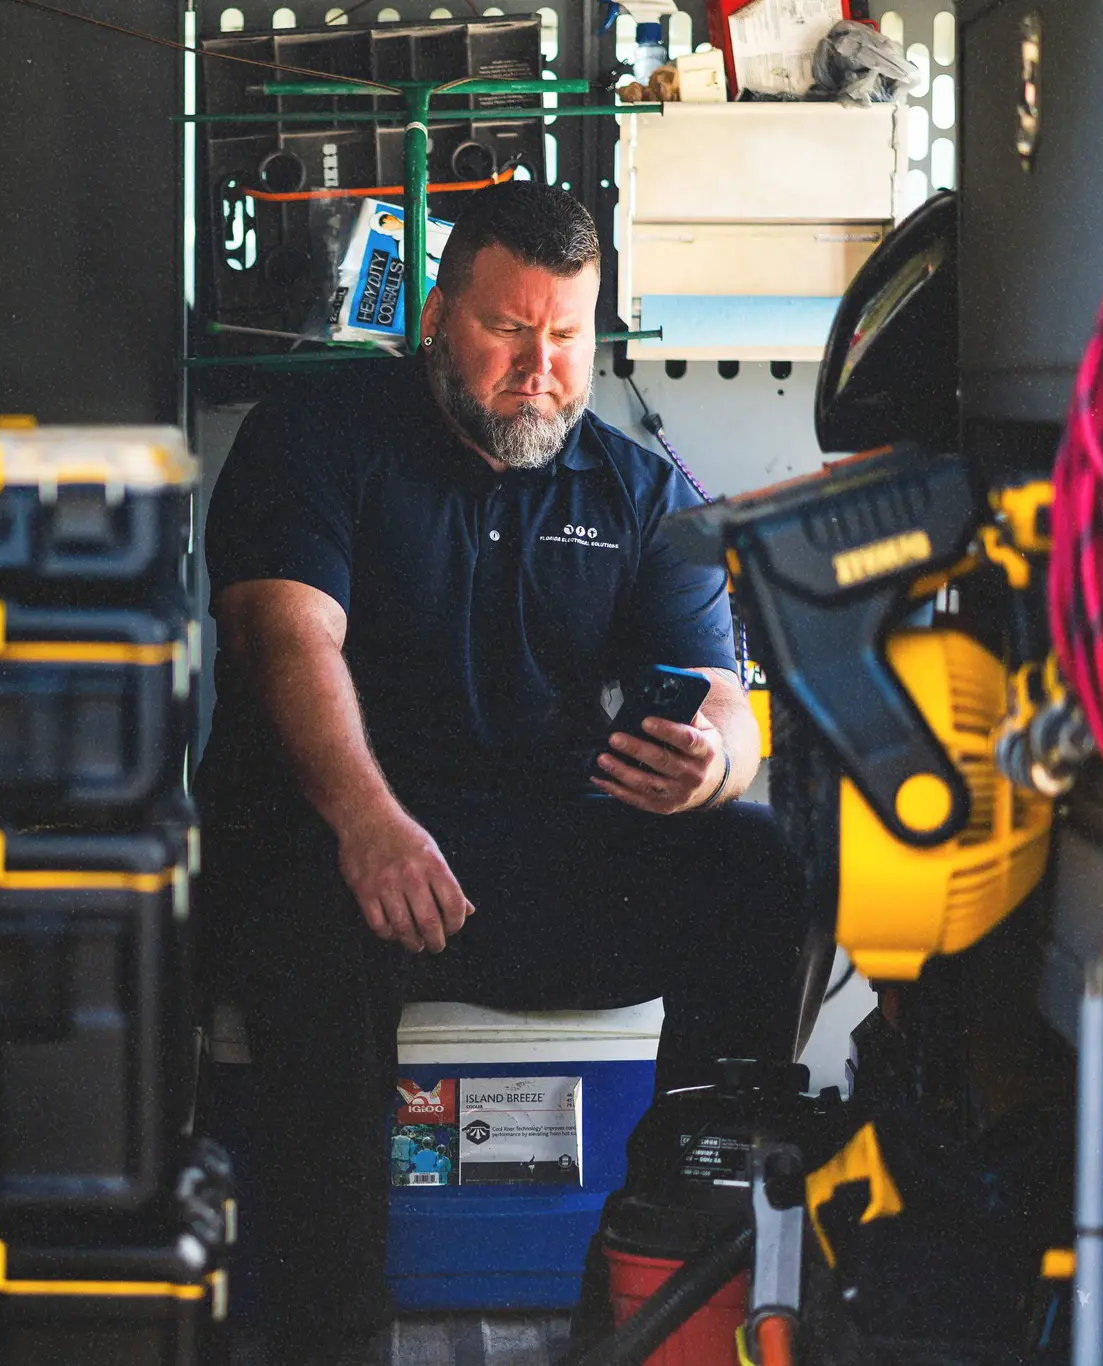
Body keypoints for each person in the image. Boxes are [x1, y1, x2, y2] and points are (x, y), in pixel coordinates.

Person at [195, 181, 806, 1365]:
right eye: (507, 330)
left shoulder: (635, 492)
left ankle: (641, 1291)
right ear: (436, 315)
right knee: (305, 919)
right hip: (337, 848)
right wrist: (368, 824)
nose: (540, 368)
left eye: (565, 336)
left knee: (756, 869)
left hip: (527, 862)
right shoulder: (315, 433)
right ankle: (333, 1342)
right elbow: (286, 637)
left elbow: (722, 698)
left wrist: (709, 765)